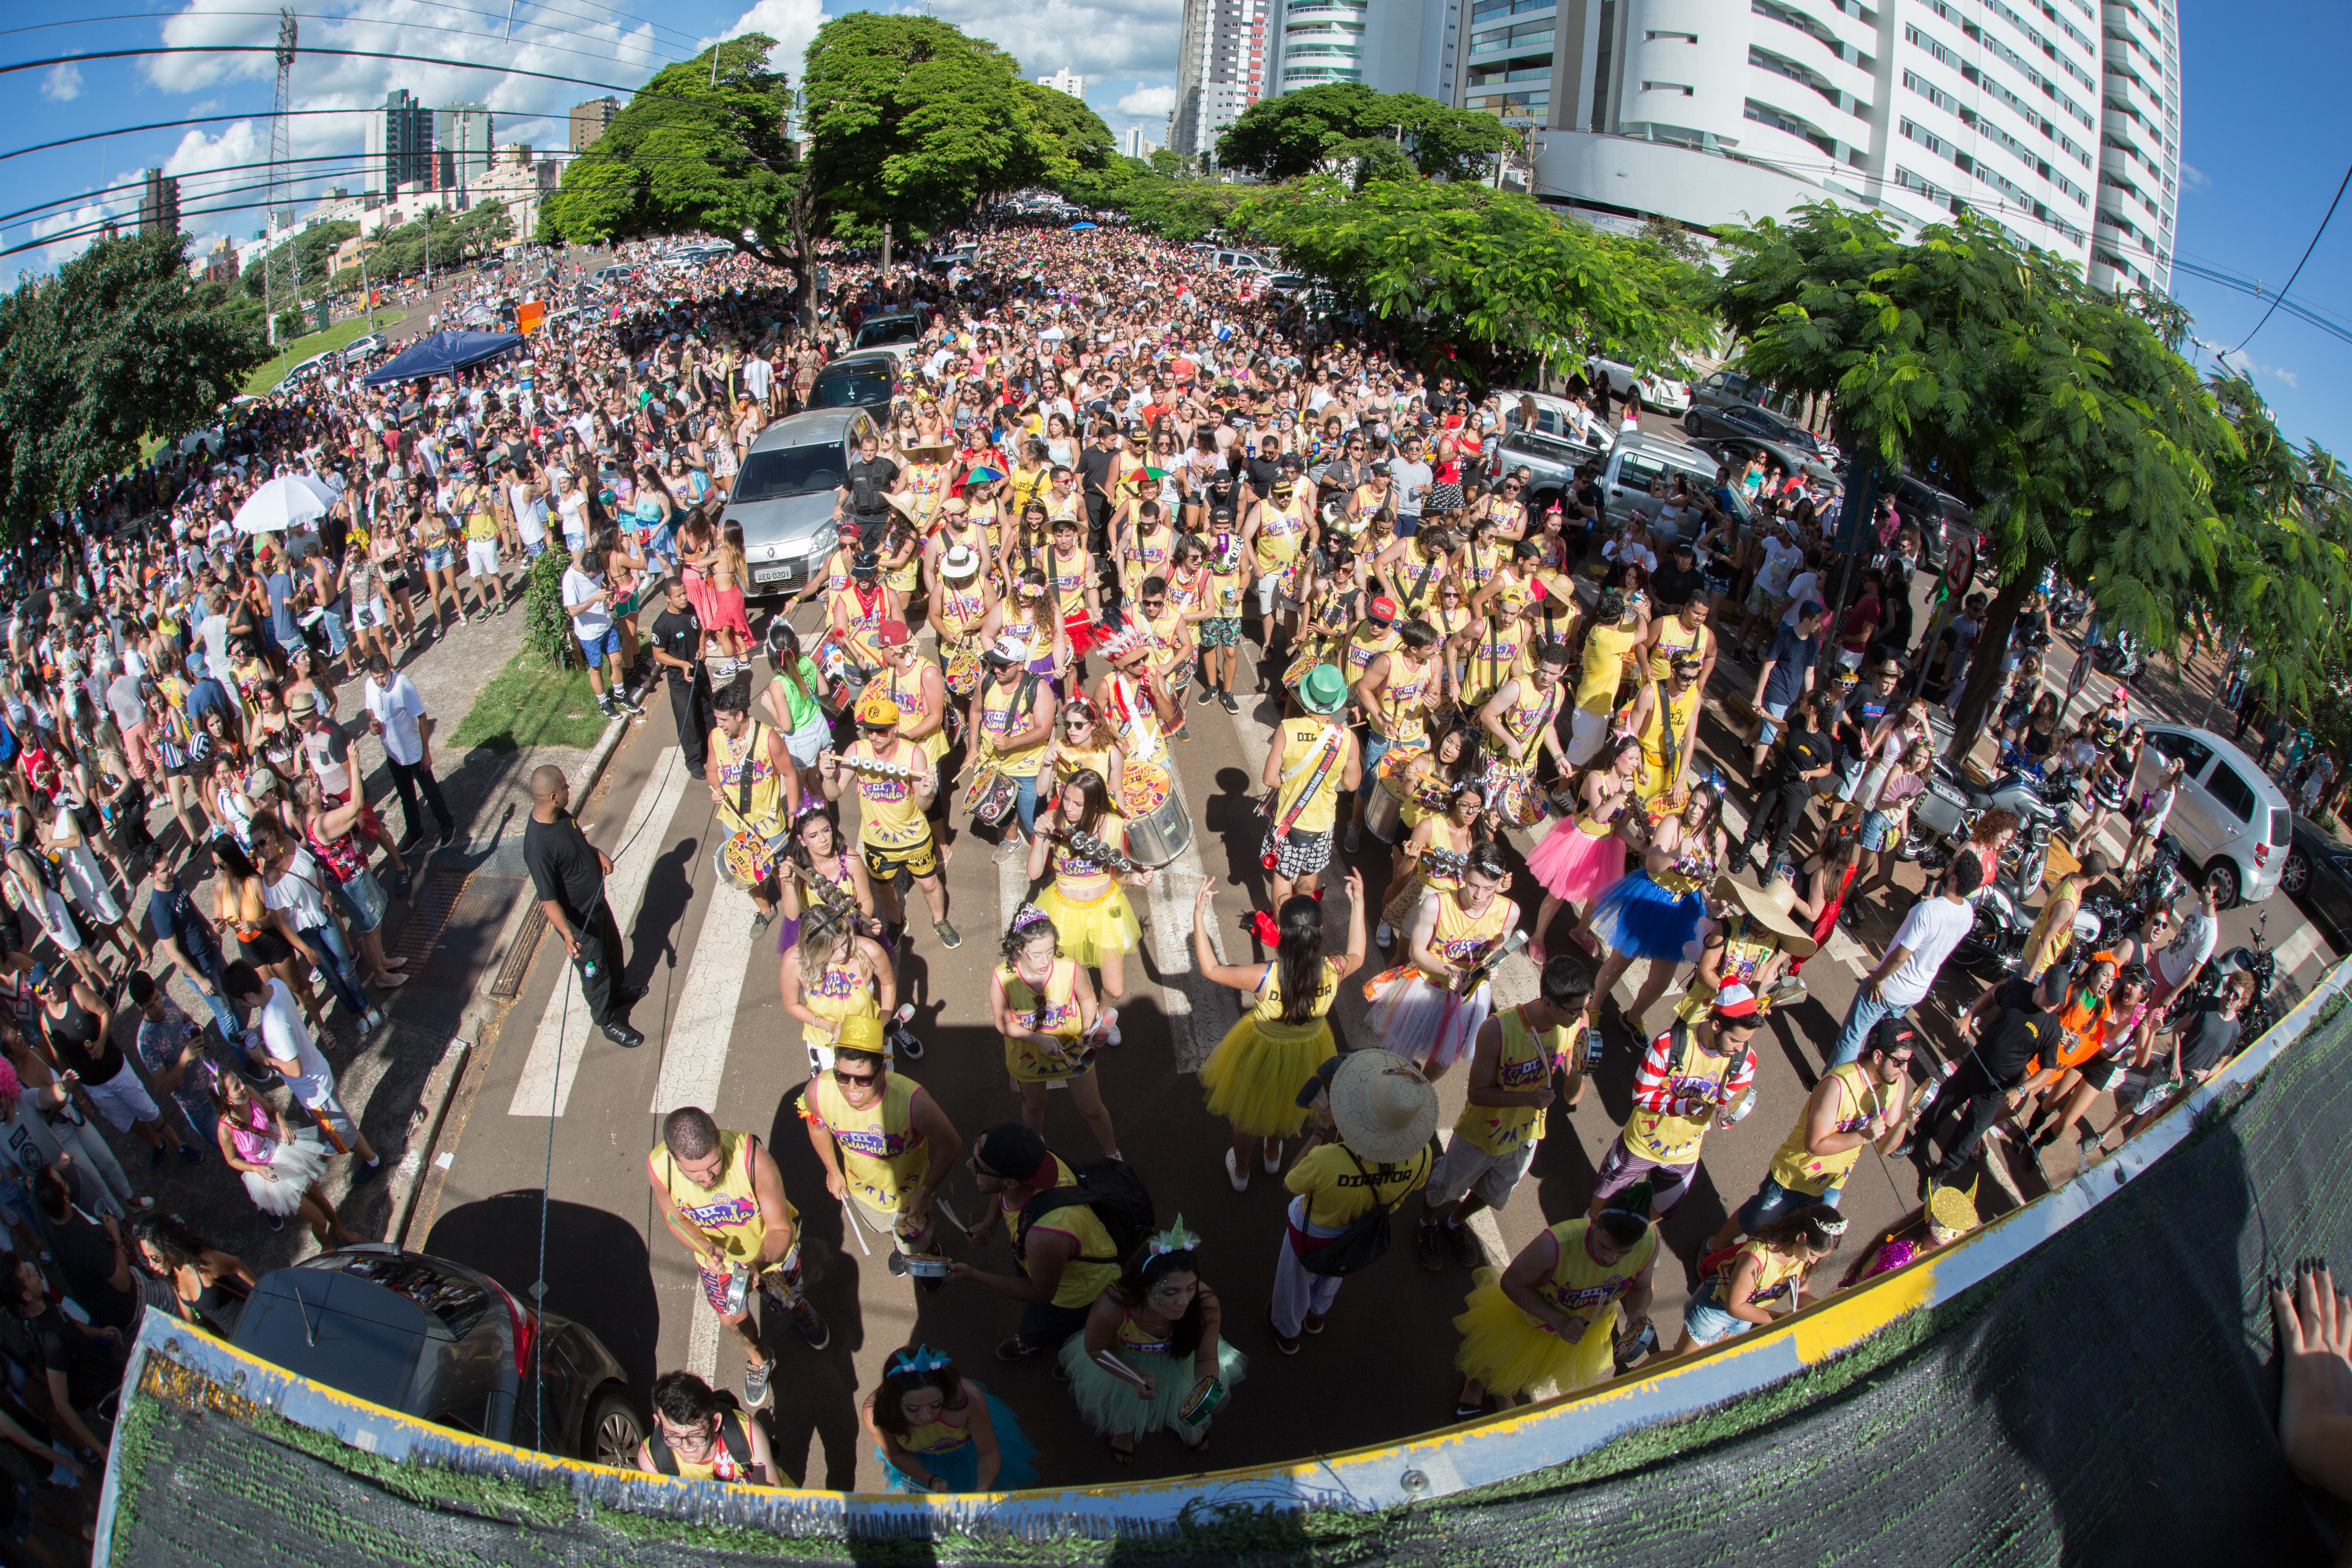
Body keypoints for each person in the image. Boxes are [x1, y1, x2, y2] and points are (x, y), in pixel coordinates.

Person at [1193, 871, 1369, 1191]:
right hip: (1308, 1052)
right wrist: (1358, 904)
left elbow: (1211, 969)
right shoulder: (1333, 971)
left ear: (1280, 934)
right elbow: (1358, 954)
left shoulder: (1263, 976)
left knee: (1250, 1114)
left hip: (1263, 1051)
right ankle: (1273, 1153)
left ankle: (1243, 1172)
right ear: (1321, 932)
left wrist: (1199, 916)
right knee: (1288, 1101)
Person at [646, 1106, 829, 1410]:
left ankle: (800, 1312)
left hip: (769, 1255)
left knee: (791, 1296)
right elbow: (674, 1219)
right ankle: (760, 1358)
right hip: (718, 1262)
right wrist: (705, 1246)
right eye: (694, 1174)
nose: (707, 1178)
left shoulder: (752, 1160)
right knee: (731, 1318)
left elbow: (780, 1229)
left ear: (719, 1138)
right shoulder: (659, 1169)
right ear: (674, 1159)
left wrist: (756, 1265)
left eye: (714, 1165)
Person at [1417, 956, 1594, 1270]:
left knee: (1494, 1191)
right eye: (1575, 1010)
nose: (1582, 1016)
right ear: (1549, 1003)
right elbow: (1477, 1093)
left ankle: (1456, 1224)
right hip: (1481, 1133)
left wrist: (1580, 1066)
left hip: (1526, 1135)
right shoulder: (1498, 1030)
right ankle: (1427, 1223)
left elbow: (1571, 1096)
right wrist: (1528, 1099)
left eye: (1586, 1007)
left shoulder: (1578, 1024)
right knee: (1447, 1186)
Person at [1265, 1048, 1437, 1355]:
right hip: (1362, 1234)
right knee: (1335, 1274)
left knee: (1293, 1286)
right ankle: (1317, 1317)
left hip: (1313, 1234)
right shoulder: (1423, 1156)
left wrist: (1322, 1128)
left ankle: (1287, 1331)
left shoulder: (1327, 1160)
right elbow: (1416, 1183)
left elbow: (1291, 1183)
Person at [1451, 1185, 1656, 1418]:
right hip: (1534, 1321)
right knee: (1497, 1358)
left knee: (1534, 1368)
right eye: (1604, 1246)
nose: (1611, 1259)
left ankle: (1502, 1392)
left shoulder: (1648, 1244)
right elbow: (1512, 1283)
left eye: (1624, 1253)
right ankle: (1475, 1384)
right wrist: (1559, 1321)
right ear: (1594, 1222)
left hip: (1584, 1328)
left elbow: (1642, 1286)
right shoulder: (1555, 1245)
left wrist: (1638, 1312)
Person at [1711, 1018, 1916, 1250]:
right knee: (1755, 1222)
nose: (1905, 1069)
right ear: (1878, 1057)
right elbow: (1814, 1145)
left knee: (1803, 1240)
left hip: (1833, 1182)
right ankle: (1715, 1245)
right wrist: (1863, 1137)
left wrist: (1906, 1121)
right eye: (1900, 1062)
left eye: (1907, 1062)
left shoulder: (1895, 1082)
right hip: (1796, 1174)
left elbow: (1885, 1147)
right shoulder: (1838, 1085)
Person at [1060, 1219, 1247, 1462]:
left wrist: (1202, 1393)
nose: (1184, 1301)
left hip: (1179, 1365)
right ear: (1144, 1287)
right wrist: (1135, 1378)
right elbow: (1095, 1348)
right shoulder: (1114, 1306)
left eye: (1191, 1287)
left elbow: (1208, 1357)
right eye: (1170, 1292)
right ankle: (1125, 1430)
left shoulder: (1205, 1303)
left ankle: (1187, 1426)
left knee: (1181, 1401)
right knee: (1124, 1404)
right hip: (1125, 1368)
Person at [1590, 982, 1762, 1222]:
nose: (1740, 1048)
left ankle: (1635, 1231)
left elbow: (1725, 1109)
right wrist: (1681, 1106)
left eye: (1745, 1042)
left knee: (1664, 1208)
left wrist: (1730, 1114)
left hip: (1685, 1153)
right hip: (1641, 1143)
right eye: (1735, 1040)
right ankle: (1593, 1224)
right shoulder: (1669, 1044)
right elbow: (1641, 1096)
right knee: (1605, 1191)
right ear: (1716, 1025)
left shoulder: (1745, 1059)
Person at [951, 1122, 1123, 1361]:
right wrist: (991, 1223)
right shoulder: (1036, 1162)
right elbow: (999, 1190)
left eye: (979, 1166)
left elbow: (1042, 1294)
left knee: (1043, 1331)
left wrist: (973, 1275)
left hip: (1073, 1294)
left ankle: (1043, 1347)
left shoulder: (1047, 1235)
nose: (969, 1165)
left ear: (1010, 1182)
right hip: (1035, 1257)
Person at [799, 1014, 962, 1267]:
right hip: (863, 1193)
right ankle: (902, 1243)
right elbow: (817, 1127)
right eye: (842, 1076)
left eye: (863, 1079)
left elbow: (951, 1145)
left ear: (883, 1071)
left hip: (909, 1195)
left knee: (918, 1243)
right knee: (891, 1232)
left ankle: (928, 1255)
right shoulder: (817, 1092)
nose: (851, 1088)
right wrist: (833, 1171)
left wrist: (926, 1191)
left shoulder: (914, 1103)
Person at [1906, 963, 2072, 1194]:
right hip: (1975, 1066)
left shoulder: (2052, 1028)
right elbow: (1994, 995)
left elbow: (2048, 1070)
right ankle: (1919, 1139)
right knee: (1943, 1102)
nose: (2053, 1004)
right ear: (2041, 985)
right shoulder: (2018, 989)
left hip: (1998, 1089)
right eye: (2051, 997)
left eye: (2058, 1001)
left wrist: (2022, 1090)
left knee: (1970, 1133)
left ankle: (1940, 1172)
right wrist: (1969, 1016)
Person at [1363, 843, 1519, 1082]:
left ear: (1500, 883)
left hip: (1470, 995)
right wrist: (1450, 970)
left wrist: (1491, 966)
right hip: (1429, 987)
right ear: (1464, 874)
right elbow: (1416, 952)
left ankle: (1421, 1087)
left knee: (1445, 1056)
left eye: (1488, 888)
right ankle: (1385, 1088)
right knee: (1400, 1047)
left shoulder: (1509, 911)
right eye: (1474, 885)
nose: (1479, 896)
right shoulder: (1436, 904)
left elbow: (1499, 945)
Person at [31, 960, 201, 1172]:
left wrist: (102, 1042)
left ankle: (180, 1146)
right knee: (126, 1120)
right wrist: (78, 1092)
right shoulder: (46, 1022)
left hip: (116, 1070)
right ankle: (158, 1145)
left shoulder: (76, 993)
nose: (52, 988)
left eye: (52, 981)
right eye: (45, 989)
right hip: (93, 1085)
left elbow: (105, 1012)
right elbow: (60, 1057)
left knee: (147, 1109)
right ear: (39, 996)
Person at [223, 959, 383, 1181]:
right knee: (338, 1127)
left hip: (315, 1092)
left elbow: (295, 1070)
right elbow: (287, 1021)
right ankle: (335, 1137)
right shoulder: (276, 986)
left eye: (242, 1002)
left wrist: (264, 1060)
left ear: (248, 997)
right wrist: (256, 1031)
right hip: (320, 1072)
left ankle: (373, 1161)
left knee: (346, 1133)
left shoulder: (274, 1027)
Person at [523, 763, 646, 1050]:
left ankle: (617, 994)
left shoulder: (561, 816)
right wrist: (568, 934)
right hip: (581, 924)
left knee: (614, 953)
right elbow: (548, 899)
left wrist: (597, 853)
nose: (569, 790)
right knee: (596, 972)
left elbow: (577, 843)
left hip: (598, 906)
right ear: (554, 796)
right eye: (565, 787)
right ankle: (608, 1021)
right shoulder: (537, 847)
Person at [824, 690, 957, 949]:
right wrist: (828, 777)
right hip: (877, 841)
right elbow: (835, 792)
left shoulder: (913, 755)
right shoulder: (857, 750)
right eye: (868, 730)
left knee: (929, 884)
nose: (873, 736)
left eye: (881, 730)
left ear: (896, 727)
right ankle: (897, 923)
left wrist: (928, 793)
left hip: (914, 838)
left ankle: (940, 921)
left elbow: (923, 804)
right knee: (884, 889)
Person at [1586, 784, 1726, 1030]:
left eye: (1703, 807)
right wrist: (1675, 854)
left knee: (1661, 981)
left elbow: (1704, 880)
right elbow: (1653, 865)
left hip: (1684, 908)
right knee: (1620, 961)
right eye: (1693, 802)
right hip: (1652, 897)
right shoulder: (1673, 824)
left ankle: (1632, 1018)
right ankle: (1594, 1007)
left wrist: (1712, 903)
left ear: (1714, 814)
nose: (1694, 810)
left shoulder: (1719, 839)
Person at [1826, 855, 1982, 1068]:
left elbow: (1901, 955)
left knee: (1853, 1036)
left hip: (1890, 986)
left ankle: (1831, 1086)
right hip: (1915, 992)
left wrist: (1879, 978)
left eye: (1951, 866)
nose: (1946, 866)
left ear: (1954, 879)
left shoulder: (1927, 911)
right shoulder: (1966, 914)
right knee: (1883, 1039)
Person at [987, 905, 1116, 1156]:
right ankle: (1036, 1151)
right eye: (1036, 954)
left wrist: (1088, 1030)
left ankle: (1113, 1154)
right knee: (1035, 1106)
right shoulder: (1002, 978)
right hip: (1029, 1056)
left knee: (1092, 1109)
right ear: (1018, 949)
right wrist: (1038, 1039)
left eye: (1050, 950)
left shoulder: (1068, 967)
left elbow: (1088, 998)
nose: (1046, 960)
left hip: (1072, 1048)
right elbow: (1003, 1023)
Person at [1026, 768, 1153, 1007]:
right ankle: (1079, 1019)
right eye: (1066, 799)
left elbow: (1117, 873)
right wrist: (1040, 836)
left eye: (1078, 803)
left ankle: (1100, 1016)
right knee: (1065, 985)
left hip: (1106, 910)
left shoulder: (1114, 825)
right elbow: (1034, 873)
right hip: (1063, 912)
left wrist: (1134, 879)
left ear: (1095, 805)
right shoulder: (1054, 820)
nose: (1069, 808)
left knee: (1115, 990)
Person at [1524, 733, 1642, 964]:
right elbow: (1599, 816)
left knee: (1598, 899)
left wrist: (1639, 845)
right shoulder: (1596, 779)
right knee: (1558, 893)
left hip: (1608, 848)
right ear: (1617, 756)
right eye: (1631, 758)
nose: (1635, 764)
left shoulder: (1627, 785)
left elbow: (1618, 825)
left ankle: (1580, 932)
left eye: (1638, 760)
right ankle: (1537, 937)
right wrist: (1620, 795)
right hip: (1580, 842)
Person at [860, 1344, 1039, 1493]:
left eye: (936, 1404)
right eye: (913, 1409)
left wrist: (982, 1489)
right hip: (923, 1465)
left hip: (972, 1454)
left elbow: (988, 1452)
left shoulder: (969, 1399)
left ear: (947, 1393)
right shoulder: (878, 1414)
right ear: (893, 1401)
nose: (926, 1417)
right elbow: (895, 1454)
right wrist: (930, 1479)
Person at [1671, 1203, 1846, 1352]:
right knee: (1679, 1363)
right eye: (1813, 1254)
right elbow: (1735, 1305)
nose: (1813, 1261)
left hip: (1748, 1316)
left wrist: (1827, 1304)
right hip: (1714, 1310)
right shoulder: (1758, 1255)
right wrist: (1779, 1320)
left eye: (1819, 1257)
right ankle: (1643, 1378)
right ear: (1801, 1237)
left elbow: (1800, 1296)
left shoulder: (1803, 1257)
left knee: (1707, 1359)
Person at [207, 1062, 349, 1243]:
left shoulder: (250, 1092)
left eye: (240, 1081)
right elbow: (232, 1160)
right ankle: (327, 1247)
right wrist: (256, 1169)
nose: (243, 1087)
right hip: (271, 1175)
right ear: (227, 1100)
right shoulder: (225, 1130)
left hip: (286, 1154)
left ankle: (340, 1229)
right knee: (319, 1220)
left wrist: (282, 1123)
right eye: (236, 1087)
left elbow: (273, 1111)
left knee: (318, 1196)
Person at [1261, 664, 1361, 908]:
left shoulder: (1288, 729)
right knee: (1309, 871)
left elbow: (1269, 779)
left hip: (1288, 818)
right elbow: (1351, 784)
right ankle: (1303, 921)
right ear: (1337, 702)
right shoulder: (1347, 738)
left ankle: (1284, 930)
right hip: (1322, 822)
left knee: (1284, 874)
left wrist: (1289, 781)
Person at [707, 677, 800, 936]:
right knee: (745, 872)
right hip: (734, 823)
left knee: (782, 873)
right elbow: (712, 770)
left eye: (723, 720)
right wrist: (716, 789)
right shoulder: (716, 737)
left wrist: (792, 813)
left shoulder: (769, 739)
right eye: (717, 719)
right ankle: (765, 910)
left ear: (739, 715)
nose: (719, 725)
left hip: (769, 825)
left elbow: (790, 775)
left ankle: (798, 918)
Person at [777, 902, 893, 1078]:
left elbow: (888, 984)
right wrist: (829, 1027)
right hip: (825, 1047)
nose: (842, 954)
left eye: (844, 943)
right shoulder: (794, 962)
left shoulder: (869, 951)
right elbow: (792, 1005)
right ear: (813, 949)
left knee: (882, 1086)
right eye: (831, 951)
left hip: (871, 1039)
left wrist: (883, 1026)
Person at [361, 651, 457, 853]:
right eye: (375, 677)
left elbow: (422, 717)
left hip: (413, 753)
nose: (379, 681)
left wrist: (426, 753)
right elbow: (370, 709)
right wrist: (371, 723)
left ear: (389, 669)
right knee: (406, 796)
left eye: (382, 677)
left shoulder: (403, 685)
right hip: (393, 755)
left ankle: (447, 825)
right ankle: (415, 831)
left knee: (430, 791)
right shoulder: (370, 685)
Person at [636, 1370, 778, 1485]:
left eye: (695, 1435)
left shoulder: (749, 1434)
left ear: (715, 1422)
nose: (685, 1446)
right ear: (658, 1420)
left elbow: (774, 1506)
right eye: (673, 1435)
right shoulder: (653, 1463)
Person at [132, 1212, 254, 1336]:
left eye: (154, 1257)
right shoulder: (173, 1276)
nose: (152, 1264)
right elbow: (189, 1320)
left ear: (167, 1248)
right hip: (235, 1336)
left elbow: (238, 1265)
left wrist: (266, 1293)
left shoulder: (202, 1264)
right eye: (147, 1258)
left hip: (251, 1318)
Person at [649, 576, 713, 775]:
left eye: (685, 593)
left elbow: (700, 630)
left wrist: (702, 647)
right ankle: (694, 761)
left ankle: (712, 751)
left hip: (699, 672)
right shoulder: (661, 626)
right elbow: (658, 655)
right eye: (679, 596)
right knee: (689, 722)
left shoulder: (690, 609)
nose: (684, 598)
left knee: (708, 714)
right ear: (668, 598)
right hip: (681, 681)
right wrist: (681, 664)